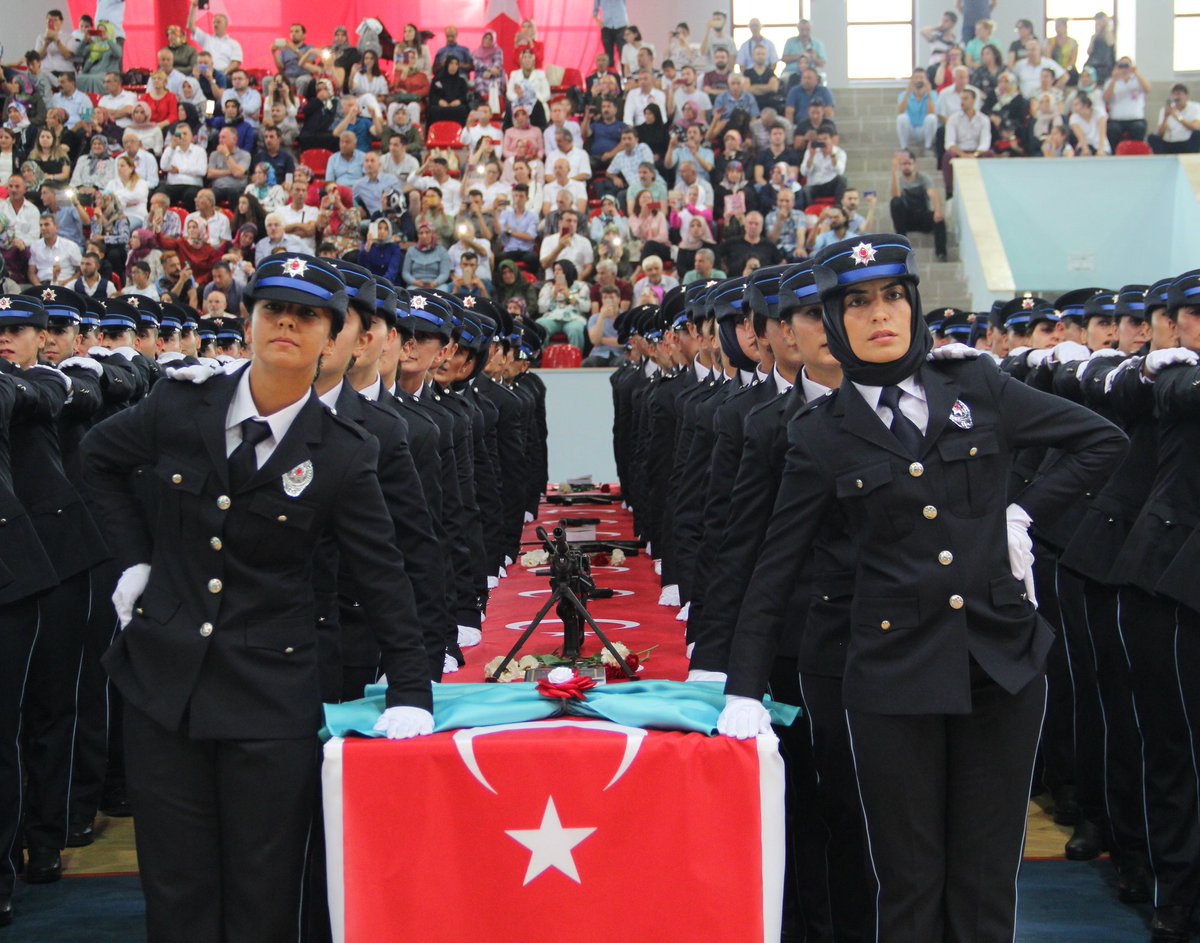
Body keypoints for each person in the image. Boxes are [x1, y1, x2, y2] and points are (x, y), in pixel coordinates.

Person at [717, 232, 1126, 943]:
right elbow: (774, 567)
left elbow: (1101, 440)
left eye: (893, 297)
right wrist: (742, 688)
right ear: (836, 320)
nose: (882, 315)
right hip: (892, 680)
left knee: (986, 884)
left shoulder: (975, 386)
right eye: (859, 302)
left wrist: (1021, 512)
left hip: (1000, 666)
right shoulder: (821, 433)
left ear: (913, 305)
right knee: (907, 887)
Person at [80, 253, 436, 943]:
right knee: (176, 894)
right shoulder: (184, 403)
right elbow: (98, 458)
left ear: (331, 339)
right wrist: (135, 564)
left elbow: (383, 571)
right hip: (164, 689)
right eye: (274, 309)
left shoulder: (340, 450)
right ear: (248, 321)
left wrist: (412, 690)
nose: (287, 324)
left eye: (307, 315)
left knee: (263, 895)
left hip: (269, 696)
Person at [890, 149, 947, 261]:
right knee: (895, 202)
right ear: (900, 166)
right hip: (906, 219)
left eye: (909, 163)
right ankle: (903, 244)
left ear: (914, 164)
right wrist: (894, 172)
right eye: (903, 164)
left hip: (922, 216)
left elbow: (933, 194)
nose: (906, 166)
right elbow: (896, 195)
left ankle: (941, 253)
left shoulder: (923, 178)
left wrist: (938, 210)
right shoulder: (899, 180)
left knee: (939, 219)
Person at [536, 259, 590, 349]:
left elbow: (586, 307)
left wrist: (568, 295)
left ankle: (576, 359)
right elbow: (541, 309)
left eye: (559, 269)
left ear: (567, 270)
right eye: (554, 270)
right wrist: (553, 295)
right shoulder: (548, 287)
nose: (556, 272)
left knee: (575, 329)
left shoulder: (581, 286)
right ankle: (541, 359)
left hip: (574, 318)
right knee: (539, 325)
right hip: (552, 317)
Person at [1103, 58, 1150, 151]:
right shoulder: (1111, 82)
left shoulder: (1137, 80)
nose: (1124, 68)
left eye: (1126, 65)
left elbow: (1147, 89)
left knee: (1139, 128)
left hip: (1136, 119)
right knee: (1112, 130)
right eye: (1121, 65)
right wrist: (1114, 79)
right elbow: (1106, 98)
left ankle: (1137, 153)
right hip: (1116, 120)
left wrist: (1136, 73)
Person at [1150, 84, 1200, 154]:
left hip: (1186, 142)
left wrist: (1177, 117)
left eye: (1179, 94)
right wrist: (1165, 117)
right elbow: (1160, 134)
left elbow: (1195, 127)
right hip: (1170, 142)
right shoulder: (1165, 110)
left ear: (1186, 96)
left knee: (1197, 134)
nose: (1176, 97)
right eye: (1174, 94)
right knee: (1152, 137)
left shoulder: (1195, 107)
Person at [898, 69, 939, 151]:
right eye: (916, 78)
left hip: (924, 129)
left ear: (926, 80)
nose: (918, 80)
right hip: (910, 129)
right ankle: (904, 147)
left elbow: (932, 112)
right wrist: (908, 92)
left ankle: (928, 146)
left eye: (921, 77)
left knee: (932, 118)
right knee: (901, 118)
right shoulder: (903, 95)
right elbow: (901, 111)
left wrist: (929, 93)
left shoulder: (933, 94)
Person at [1084, 12, 1116, 86]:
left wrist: (1106, 27)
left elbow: (1111, 45)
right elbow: (1089, 51)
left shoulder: (1109, 34)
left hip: (1105, 64)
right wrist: (1095, 34)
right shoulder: (1094, 36)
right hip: (1093, 63)